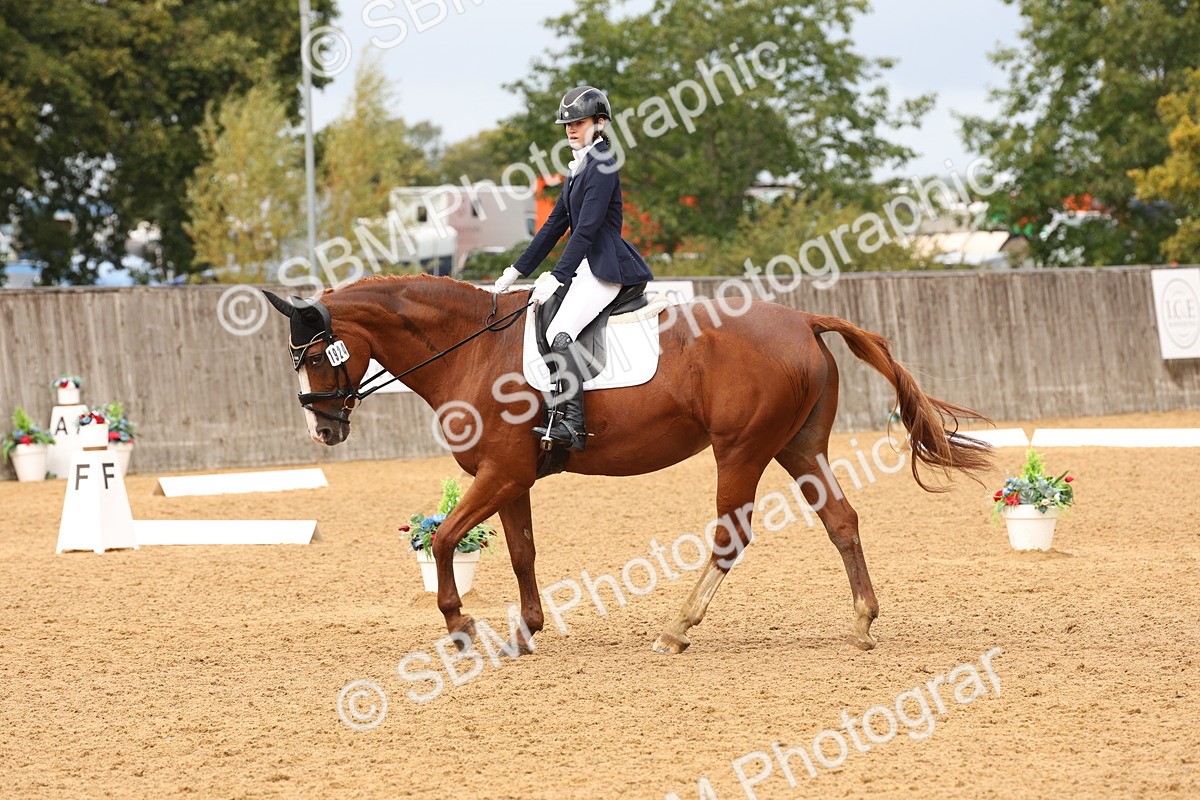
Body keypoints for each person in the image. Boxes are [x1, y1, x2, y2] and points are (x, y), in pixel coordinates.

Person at [494, 86, 654, 452]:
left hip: (605, 266)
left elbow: (587, 229)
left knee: (561, 331)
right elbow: (553, 226)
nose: (570, 129)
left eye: (578, 122)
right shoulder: (580, 165)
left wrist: (557, 275)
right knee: (543, 321)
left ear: (599, 123)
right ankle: (557, 409)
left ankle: (573, 425)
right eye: (567, 124)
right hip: (585, 265)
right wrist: (516, 271)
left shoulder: (603, 162)